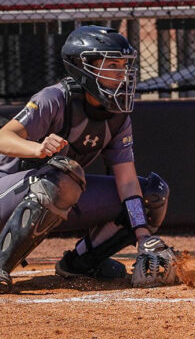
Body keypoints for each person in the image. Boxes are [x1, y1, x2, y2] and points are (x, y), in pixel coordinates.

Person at [0, 25, 177, 293]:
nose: (122, 73)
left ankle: (80, 264)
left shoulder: (117, 116)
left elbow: (128, 183)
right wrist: (37, 149)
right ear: (83, 68)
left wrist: (143, 236)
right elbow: (4, 137)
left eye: (125, 65)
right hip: (8, 194)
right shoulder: (54, 99)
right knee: (63, 176)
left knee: (152, 195)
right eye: (112, 65)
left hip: (60, 190)